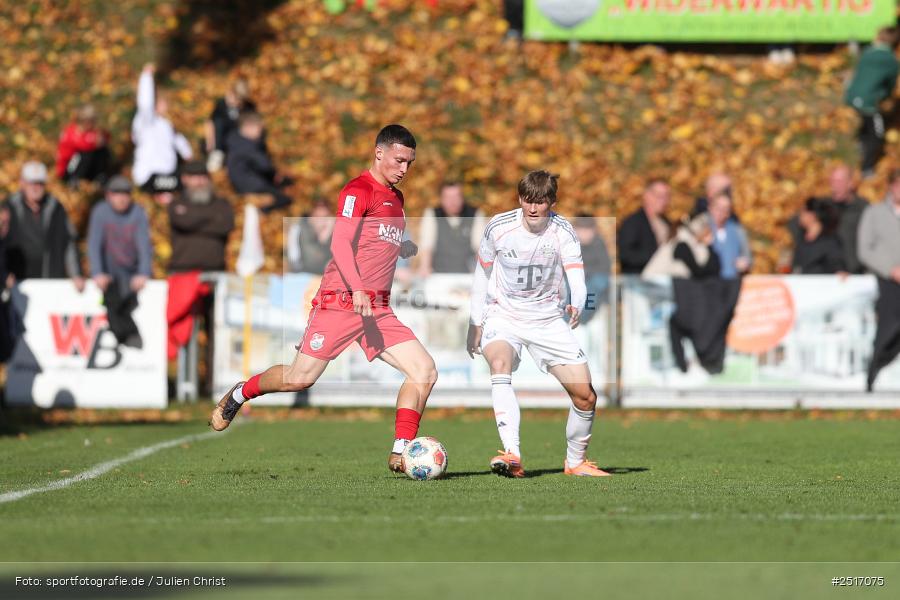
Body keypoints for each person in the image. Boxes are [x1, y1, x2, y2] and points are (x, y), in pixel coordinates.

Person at [211, 125, 438, 474]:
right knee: (299, 378)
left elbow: (375, 241)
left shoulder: (397, 199)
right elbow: (340, 243)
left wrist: (401, 247)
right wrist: (357, 288)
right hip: (341, 301)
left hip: (376, 309)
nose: (404, 169)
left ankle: (401, 450)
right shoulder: (358, 190)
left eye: (410, 162)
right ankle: (241, 393)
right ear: (379, 153)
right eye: (398, 160)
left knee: (424, 370)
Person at [466, 170, 609, 479]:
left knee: (586, 396)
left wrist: (578, 302)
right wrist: (475, 322)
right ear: (520, 199)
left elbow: (576, 275)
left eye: (540, 202)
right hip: (504, 315)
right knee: (499, 364)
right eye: (527, 200)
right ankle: (512, 453)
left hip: (547, 320)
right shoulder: (499, 227)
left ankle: (575, 462)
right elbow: (482, 275)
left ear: (552, 203)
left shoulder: (563, 231)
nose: (532, 208)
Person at [87, 175, 153, 345]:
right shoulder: (100, 212)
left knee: (129, 308)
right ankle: (127, 341)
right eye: (117, 194)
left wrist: (143, 273)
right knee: (113, 308)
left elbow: (144, 245)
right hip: (109, 275)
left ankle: (131, 343)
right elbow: (94, 244)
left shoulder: (138, 212)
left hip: (131, 274)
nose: (122, 199)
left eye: (126, 194)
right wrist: (97, 272)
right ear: (108, 196)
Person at [3, 162, 84, 290]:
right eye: (32, 183)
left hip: (49, 282)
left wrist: (76, 274)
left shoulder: (56, 208)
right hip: (16, 283)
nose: (36, 188)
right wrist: (3, 273)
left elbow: (69, 242)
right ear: (22, 183)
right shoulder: (9, 207)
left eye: (40, 183)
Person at [858, 169, 900, 392]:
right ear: (891, 186)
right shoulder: (874, 213)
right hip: (886, 281)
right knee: (888, 329)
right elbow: (864, 249)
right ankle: (871, 376)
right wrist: (890, 270)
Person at [789, 166, 869, 273]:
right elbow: (796, 221)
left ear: (851, 183)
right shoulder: (823, 205)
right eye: (832, 182)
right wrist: (812, 233)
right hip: (827, 272)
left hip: (855, 272)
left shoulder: (863, 208)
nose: (835, 186)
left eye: (839, 182)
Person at [844, 26, 900, 178]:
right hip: (868, 102)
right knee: (877, 134)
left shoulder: (867, 52)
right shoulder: (891, 61)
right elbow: (890, 86)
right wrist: (884, 97)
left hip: (852, 96)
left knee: (867, 122)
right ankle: (867, 168)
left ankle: (862, 143)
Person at [131, 63, 193, 190]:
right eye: (162, 102)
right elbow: (145, 103)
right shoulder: (146, 121)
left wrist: (188, 154)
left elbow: (177, 140)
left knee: (189, 184)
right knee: (179, 187)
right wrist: (147, 77)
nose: (166, 106)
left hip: (167, 174)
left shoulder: (166, 124)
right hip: (149, 175)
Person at [168, 160, 235, 274]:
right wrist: (212, 218)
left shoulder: (221, 203)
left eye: (203, 177)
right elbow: (184, 222)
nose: (200, 181)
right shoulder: (176, 203)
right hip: (182, 270)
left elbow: (226, 226)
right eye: (195, 177)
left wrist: (192, 219)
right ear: (185, 179)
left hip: (215, 269)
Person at [225, 111, 292, 212]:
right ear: (248, 127)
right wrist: (276, 174)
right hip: (252, 184)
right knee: (285, 199)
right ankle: (260, 212)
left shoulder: (235, 141)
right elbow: (264, 165)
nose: (261, 131)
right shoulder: (247, 145)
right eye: (259, 128)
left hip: (245, 182)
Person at [417, 182, 486, 276]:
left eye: (456, 196)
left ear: (462, 198)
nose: (452, 201)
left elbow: (480, 248)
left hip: (468, 275)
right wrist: (425, 267)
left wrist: (481, 274)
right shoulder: (432, 214)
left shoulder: (475, 214)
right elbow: (426, 246)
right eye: (448, 197)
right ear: (441, 199)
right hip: (437, 275)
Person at [617, 179, 671, 274]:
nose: (663, 200)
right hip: (639, 278)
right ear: (646, 195)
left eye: (666, 196)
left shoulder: (666, 223)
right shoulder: (633, 222)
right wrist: (656, 257)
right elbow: (625, 254)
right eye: (659, 196)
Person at [205, 78, 257, 172]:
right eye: (235, 98)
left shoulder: (249, 107)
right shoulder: (221, 104)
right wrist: (210, 142)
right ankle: (217, 154)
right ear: (230, 93)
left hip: (238, 137)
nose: (237, 102)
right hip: (221, 138)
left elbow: (253, 126)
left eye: (240, 100)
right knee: (219, 122)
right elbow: (210, 123)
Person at [55, 104, 111, 186]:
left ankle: (99, 177)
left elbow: (106, 138)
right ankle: (74, 180)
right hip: (68, 169)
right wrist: (96, 142)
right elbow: (83, 145)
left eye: (93, 121)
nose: (92, 124)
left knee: (103, 151)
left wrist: (100, 138)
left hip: (85, 167)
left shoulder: (91, 132)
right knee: (85, 153)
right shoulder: (70, 131)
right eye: (89, 120)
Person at [791, 198, 847, 275]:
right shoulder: (801, 239)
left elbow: (837, 265)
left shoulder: (830, 241)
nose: (799, 215)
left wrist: (840, 272)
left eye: (803, 211)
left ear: (812, 215)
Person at [572, 214, 611, 324]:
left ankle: (581, 318)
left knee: (599, 282)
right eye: (582, 229)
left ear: (594, 230)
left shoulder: (599, 243)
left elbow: (605, 267)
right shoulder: (568, 244)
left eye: (588, 230)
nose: (585, 233)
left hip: (593, 285)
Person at [707, 193, 752, 279]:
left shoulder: (738, 231)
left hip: (731, 281)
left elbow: (748, 258)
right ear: (710, 208)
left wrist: (744, 263)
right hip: (707, 282)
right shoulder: (702, 229)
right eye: (718, 208)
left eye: (725, 209)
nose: (721, 212)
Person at [286, 199, 334, 274]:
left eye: (325, 217)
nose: (321, 221)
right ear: (310, 217)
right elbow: (296, 261)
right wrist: (323, 239)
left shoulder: (334, 232)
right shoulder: (298, 229)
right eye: (317, 216)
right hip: (303, 275)